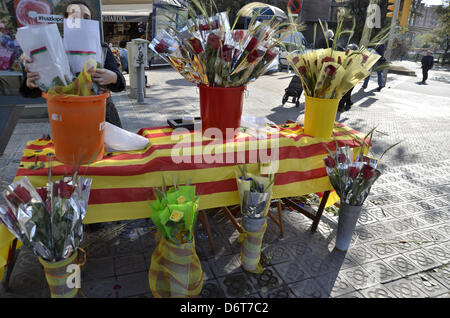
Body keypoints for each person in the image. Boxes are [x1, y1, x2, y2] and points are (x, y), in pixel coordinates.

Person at [20, 0, 125, 127]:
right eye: (74, 17)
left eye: (86, 17)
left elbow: (121, 82)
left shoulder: (100, 48)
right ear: (65, 20)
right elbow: (33, 90)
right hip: (65, 118)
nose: (80, 21)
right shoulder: (53, 48)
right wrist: (31, 84)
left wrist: (113, 77)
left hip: (103, 117)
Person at [338, 44, 359, 112]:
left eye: (349, 49)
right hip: (345, 76)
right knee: (347, 91)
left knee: (347, 92)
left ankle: (340, 106)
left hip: (352, 77)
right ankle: (349, 103)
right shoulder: (345, 56)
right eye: (347, 49)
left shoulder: (357, 58)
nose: (347, 50)